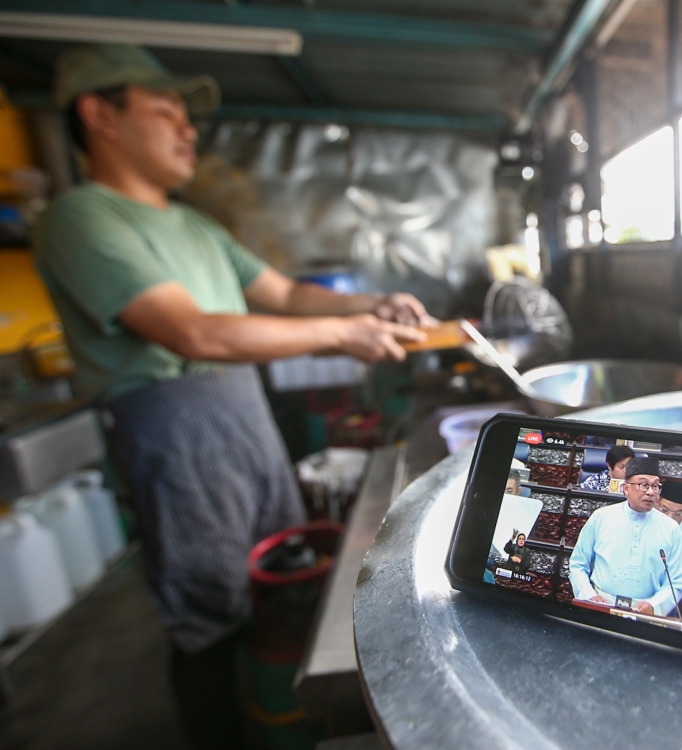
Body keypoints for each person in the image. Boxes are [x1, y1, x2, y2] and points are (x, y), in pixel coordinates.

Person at [34, 45, 434, 750]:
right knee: (208, 612)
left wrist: (377, 303)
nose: (187, 131)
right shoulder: (82, 216)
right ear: (100, 116)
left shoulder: (194, 226)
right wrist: (343, 334)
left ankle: (277, 717)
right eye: (165, 112)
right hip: (173, 428)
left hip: (243, 414)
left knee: (277, 579)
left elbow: (283, 294)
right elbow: (192, 332)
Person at [569, 457, 682, 616]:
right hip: (601, 607)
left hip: (645, 613)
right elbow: (578, 564)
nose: (651, 492)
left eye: (655, 486)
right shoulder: (601, 517)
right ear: (626, 489)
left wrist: (654, 605)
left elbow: (676, 580)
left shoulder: (671, 528)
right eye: (644, 485)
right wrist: (589, 596)